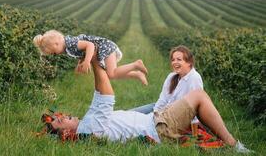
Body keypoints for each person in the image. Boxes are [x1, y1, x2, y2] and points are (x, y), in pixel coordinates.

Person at [43, 57, 251, 153]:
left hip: (150, 120)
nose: (61, 117)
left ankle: (205, 123)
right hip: (159, 128)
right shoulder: (89, 127)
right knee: (199, 95)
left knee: (159, 103)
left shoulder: (88, 122)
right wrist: (96, 61)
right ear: (66, 134)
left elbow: (99, 94)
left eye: (59, 116)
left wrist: (93, 60)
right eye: (59, 123)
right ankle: (234, 146)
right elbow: (105, 94)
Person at [33, 30, 148, 85]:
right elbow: (82, 52)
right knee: (111, 75)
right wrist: (80, 63)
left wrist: (87, 61)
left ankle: (136, 64)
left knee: (112, 74)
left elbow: (90, 45)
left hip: (105, 47)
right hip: (103, 48)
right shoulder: (68, 46)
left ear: (56, 44)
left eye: (53, 52)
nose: (56, 54)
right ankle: (137, 74)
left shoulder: (71, 43)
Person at [131, 45, 203, 126]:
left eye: (179, 59)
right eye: (173, 60)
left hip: (172, 117)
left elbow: (194, 108)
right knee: (129, 114)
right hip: (161, 109)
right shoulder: (172, 76)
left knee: (137, 122)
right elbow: (163, 99)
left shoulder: (194, 78)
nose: (175, 62)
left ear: (189, 62)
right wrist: (154, 114)